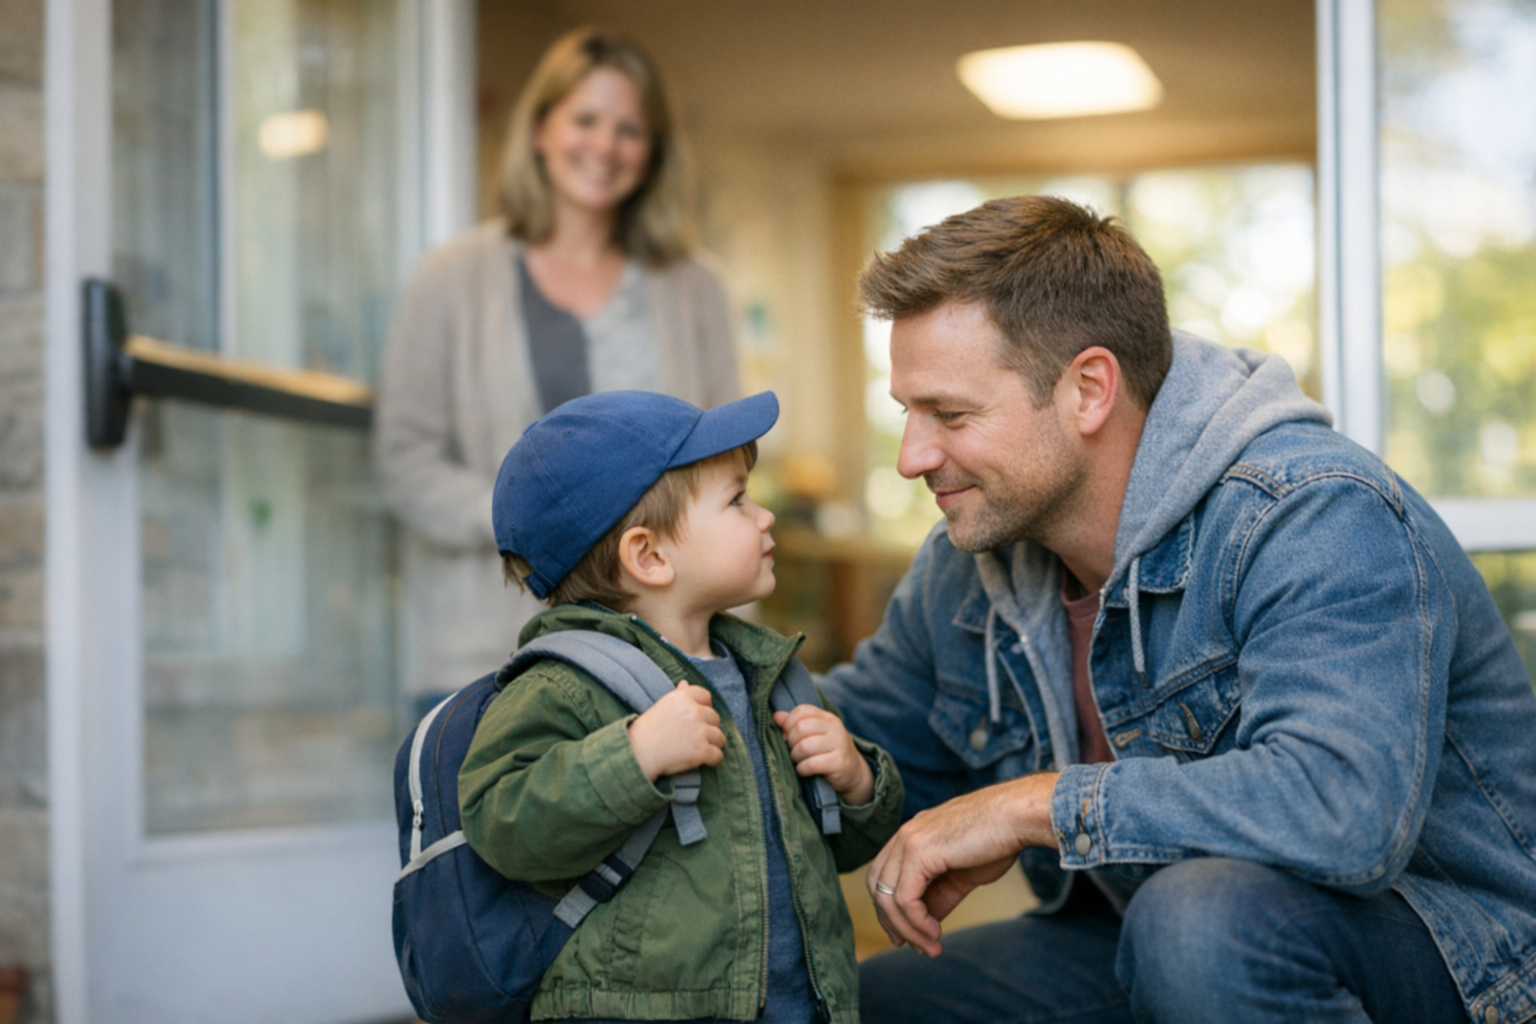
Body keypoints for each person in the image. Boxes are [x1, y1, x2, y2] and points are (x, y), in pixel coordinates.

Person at [818, 195, 1536, 1024]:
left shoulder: (1310, 510)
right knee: (881, 1000)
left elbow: (1342, 811)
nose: (913, 457)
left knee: (1197, 925)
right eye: (907, 412)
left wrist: (1030, 807)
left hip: (1461, 956)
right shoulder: (968, 569)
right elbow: (849, 739)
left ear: (1089, 389)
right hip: (1149, 933)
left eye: (951, 414)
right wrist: (666, 673)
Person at [458, 390, 904, 1024]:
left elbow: (834, 850)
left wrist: (856, 782)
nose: (765, 517)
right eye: (737, 500)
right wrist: (632, 757)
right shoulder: (564, 684)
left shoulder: (768, 676)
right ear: (649, 556)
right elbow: (500, 821)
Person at [375, 28, 739, 715]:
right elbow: (406, 461)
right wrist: (541, 521)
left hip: (664, 658)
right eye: (585, 119)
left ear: (654, 150)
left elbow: (725, 460)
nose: (604, 146)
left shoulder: (696, 289)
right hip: (483, 651)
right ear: (541, 129)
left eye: (629, 128)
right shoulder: (449, 279)